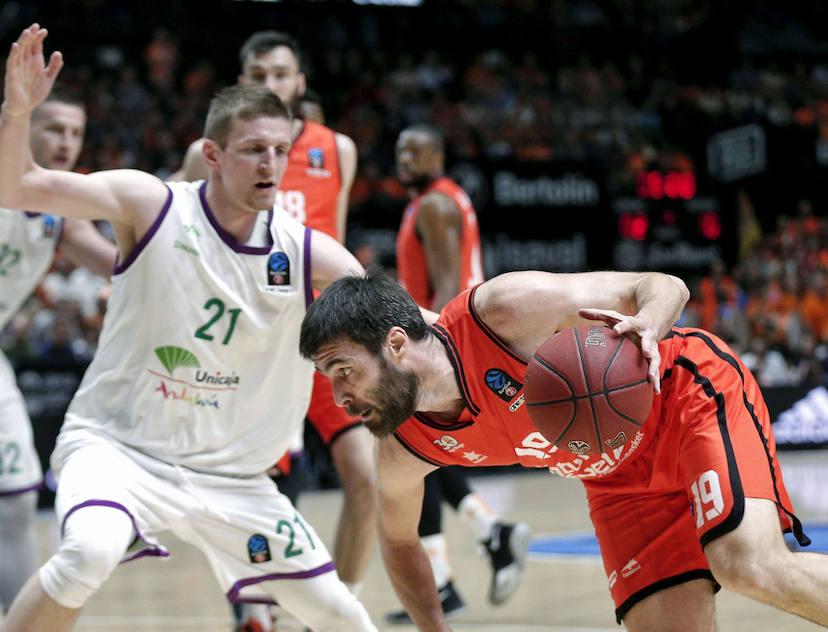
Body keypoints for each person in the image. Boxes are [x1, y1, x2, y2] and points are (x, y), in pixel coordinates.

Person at [0, 25, 375, 632]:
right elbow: (14, 187)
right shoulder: (151, 203)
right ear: (213, 154)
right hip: (120, 450)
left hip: (231, 477)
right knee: (89, 552)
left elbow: (392, 316)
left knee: (344, 619)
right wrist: (16, 113)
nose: (271, 164)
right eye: (253, 149)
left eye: (280, 151)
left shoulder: (306, 252)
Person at [300, 270, 828, 631]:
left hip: (683, 399)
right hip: (616, 483)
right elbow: (397, 540)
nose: (340, 397)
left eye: (344, 371)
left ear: (395, 344)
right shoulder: (404, 446)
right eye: (329, 380)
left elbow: (663, 285)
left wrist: (649, 324)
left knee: (748, 565)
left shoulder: (502, 312)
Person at [173, 31, 374, 631]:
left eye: (282, 73)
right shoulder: (202, 155)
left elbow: (332, 247)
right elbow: (183, 253)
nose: (272, 83)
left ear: (300, 82)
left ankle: (334, 611)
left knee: (366, 478)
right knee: (258, 493)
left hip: (321, 342)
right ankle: (255, 611)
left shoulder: (336, 148)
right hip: (246, 346)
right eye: (259, 73)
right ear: (241, 81)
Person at [0, 84, 116, 612]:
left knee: (16, 505)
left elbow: (110, 262)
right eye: (55, 128)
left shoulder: (61, 205)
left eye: (76, 133)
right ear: (26, 129)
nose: (66, 142)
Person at [384, 124, 530, 624]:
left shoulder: (435, 205)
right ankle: (479, 546)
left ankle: (460, 566)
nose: (406, 156)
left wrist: (430, 348)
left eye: (418, 148)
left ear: (440, 154)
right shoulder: (433, 201)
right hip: (456, 344)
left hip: (447, 344)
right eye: (401, 149)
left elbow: (446, 287)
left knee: (414, 447)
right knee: (422, 451)